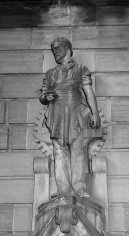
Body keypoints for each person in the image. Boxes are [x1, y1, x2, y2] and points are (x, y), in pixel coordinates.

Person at [39, 37, 100, 198]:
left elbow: (88, 92)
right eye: (53, 50)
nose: (55, 53)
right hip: (57, 114)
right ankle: (63, 189)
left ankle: (79, 189)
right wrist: (46, 98)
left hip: (75, 113)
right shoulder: (51, 73)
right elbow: (43, 96)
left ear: (67, 48)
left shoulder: (81, 68)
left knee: (78, 152)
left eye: (57, 49)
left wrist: (95, 113)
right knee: (59, 153)